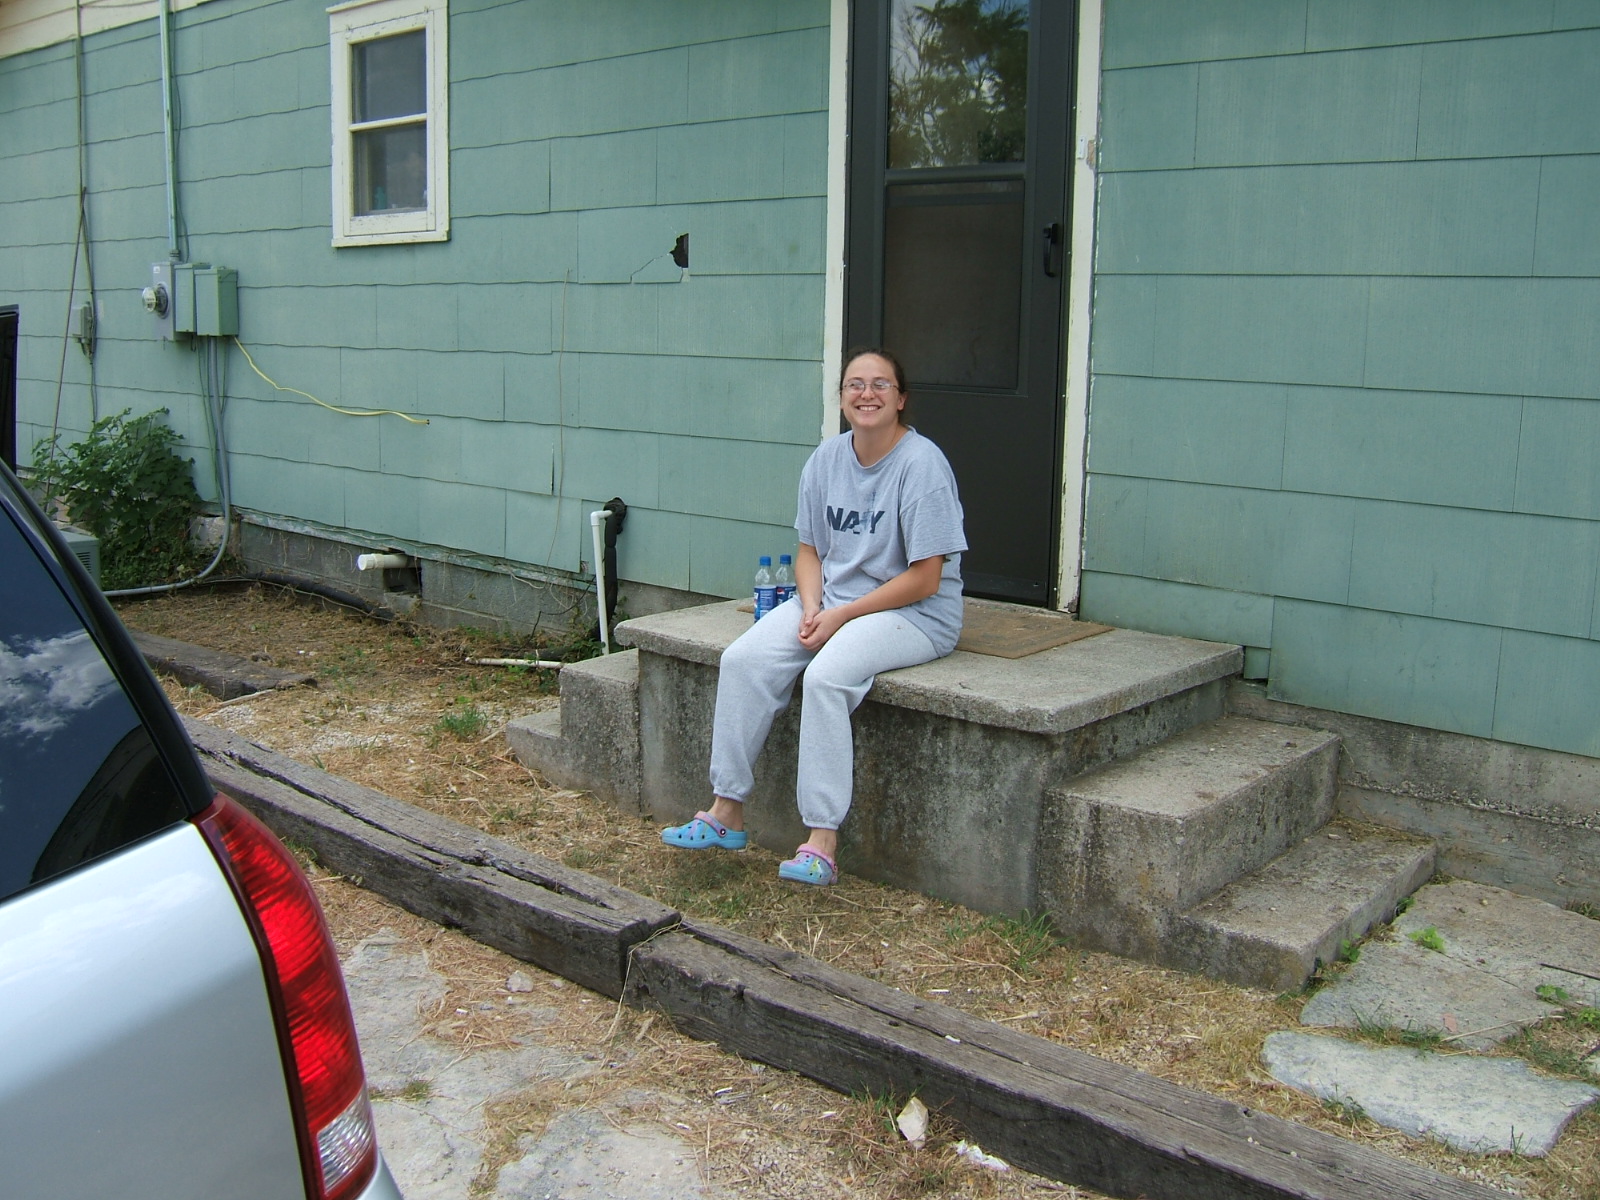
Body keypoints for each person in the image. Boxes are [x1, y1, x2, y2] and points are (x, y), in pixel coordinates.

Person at [660, 348, 966, 885]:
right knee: (744, 658)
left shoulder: (922, 466)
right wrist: (810, 606)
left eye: (880, 384)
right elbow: (809, 552)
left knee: (826, 677)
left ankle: (821, 842)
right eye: (854, 384)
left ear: (900, 398)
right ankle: (726, 810)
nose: (866, 394)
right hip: (833, 602)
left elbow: (926, 578)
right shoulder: (826, 459)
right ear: (841, 396)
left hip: (916, 614)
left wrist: (840, 616)